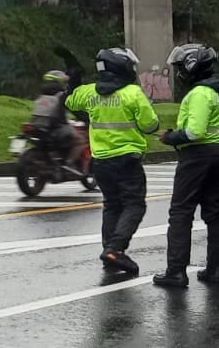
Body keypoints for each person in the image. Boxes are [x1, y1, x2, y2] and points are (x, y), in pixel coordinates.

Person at [66, 47, 161, 274]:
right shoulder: (132, 93)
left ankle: (109, 251)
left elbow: (70, 101)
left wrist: (74, 76)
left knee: (112, 205)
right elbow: (150, 125)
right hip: (127, 161)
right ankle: (115, 249)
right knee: (134, 205)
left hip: (100, 162)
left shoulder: (89, 92)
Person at [155, 43, 219, 288]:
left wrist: (170, 137)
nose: (179, 73)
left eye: (181, 68)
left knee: (181, 212)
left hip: (197, 156)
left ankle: (176, 271)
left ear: (192, 66)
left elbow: (195, 132)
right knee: (214, 212)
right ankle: (215, 269)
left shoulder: (199, 93)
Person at [28, 69, 83, 172]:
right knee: (80, 140)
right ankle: (69, 163)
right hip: (57, 128)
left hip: (37, 127)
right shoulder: (62, 96)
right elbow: (75, 111)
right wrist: (85, 117)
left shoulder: (41, 96)